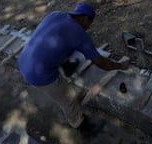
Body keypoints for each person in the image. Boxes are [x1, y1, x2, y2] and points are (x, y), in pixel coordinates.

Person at [18, 2, 129, 132]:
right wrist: (120, 65)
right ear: (84, 18)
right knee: (68, 99)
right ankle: (81, 125)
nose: (88, 27)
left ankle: (66, 66)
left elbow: (52, 38)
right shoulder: (79, 34)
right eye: (89, 23)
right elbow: (100, 62)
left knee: (68, 47)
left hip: (24, 59)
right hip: (38, 75)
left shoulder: (56, 15)